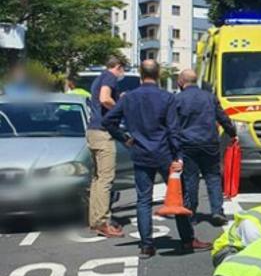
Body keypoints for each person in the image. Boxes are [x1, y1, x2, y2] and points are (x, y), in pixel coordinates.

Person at [103, 60, 209, 258]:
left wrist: (124, 138)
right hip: (164, 153)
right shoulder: (167, 97)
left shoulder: (129, 98)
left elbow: (108, 121)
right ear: (158, 74)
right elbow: (173, 129)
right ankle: (187, 240)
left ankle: (146, 245)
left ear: (141, 74)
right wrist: (178, 155)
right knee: (178, 196)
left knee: (143, 199)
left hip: (140, 152)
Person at [172, 69, 237, 228]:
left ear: (181, 81)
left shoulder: (177, 99)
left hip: (188, 144)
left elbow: (172, 125)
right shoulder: (209, 97)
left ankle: (191, 213)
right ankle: (217, 210)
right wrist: (232, 133)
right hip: (209, 143)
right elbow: (222, 117)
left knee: (190, 179)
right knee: (213, 177)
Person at [87, 56, 126, 238]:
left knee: (97, 179)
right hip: (103, 132)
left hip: (92, 132)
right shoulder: (110, 77)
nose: (122, 74)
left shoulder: (99, 77)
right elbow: (104, 98)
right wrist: (119, 106)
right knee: (105, 179)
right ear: (117, 67)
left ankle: (95, 220)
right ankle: (103, 222)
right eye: (122, 70)